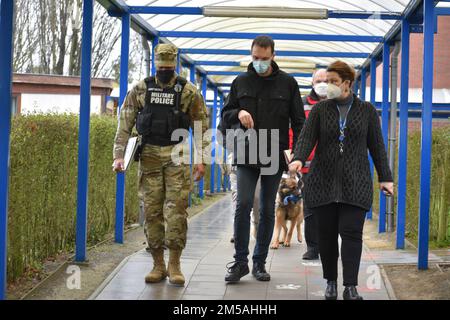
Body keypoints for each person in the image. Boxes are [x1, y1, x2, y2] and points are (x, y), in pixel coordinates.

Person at [289, 60, 393, 300]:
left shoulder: (366, 110)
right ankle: (331, 283)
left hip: (356, 183)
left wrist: (385, 177)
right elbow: (306, 139)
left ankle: (350, 286)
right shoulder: (319, 110)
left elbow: (377, 146)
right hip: (322, 182)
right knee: (326, 235)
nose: (328, 86)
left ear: (347, 83)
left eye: (333, 82)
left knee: (351, 233)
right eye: (325, 81)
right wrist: (297, 159)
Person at [112, 43, 208, 286]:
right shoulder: (141, 89)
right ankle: (158, 264)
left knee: (176, 212)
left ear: (174, 63)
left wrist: (201, 159)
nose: (164, 68)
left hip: (178, 155)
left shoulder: (188, 92)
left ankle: (175, 263)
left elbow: (200, 125)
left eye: (168, 64)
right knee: (152, 211)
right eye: (161, 64)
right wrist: (119, 154)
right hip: (150, 156)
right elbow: (125, 123)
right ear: (155, 63)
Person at [221, 35, 305, 282]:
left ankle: (259, 263)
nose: (259, 62)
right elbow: (225, 115)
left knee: (267, 209)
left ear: (273, 56)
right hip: (246, 152)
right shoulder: (241, 81)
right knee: (243, 203)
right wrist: (239, 111)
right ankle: (239, 262)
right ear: (251, 54)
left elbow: (299, 122)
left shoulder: (288, 84)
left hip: (273, 154)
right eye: (255, 58)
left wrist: (297, 155)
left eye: (264, 59)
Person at [300, 69, 328, 261]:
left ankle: (327, 245)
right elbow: (296, 131)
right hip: (308, 166)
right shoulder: (302, 104)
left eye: (326, 80)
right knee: (310, 207)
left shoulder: (340, 103)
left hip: (333, 166)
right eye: (318, 80)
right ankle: (312, 247)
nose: (322, 83)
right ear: (312, 83)